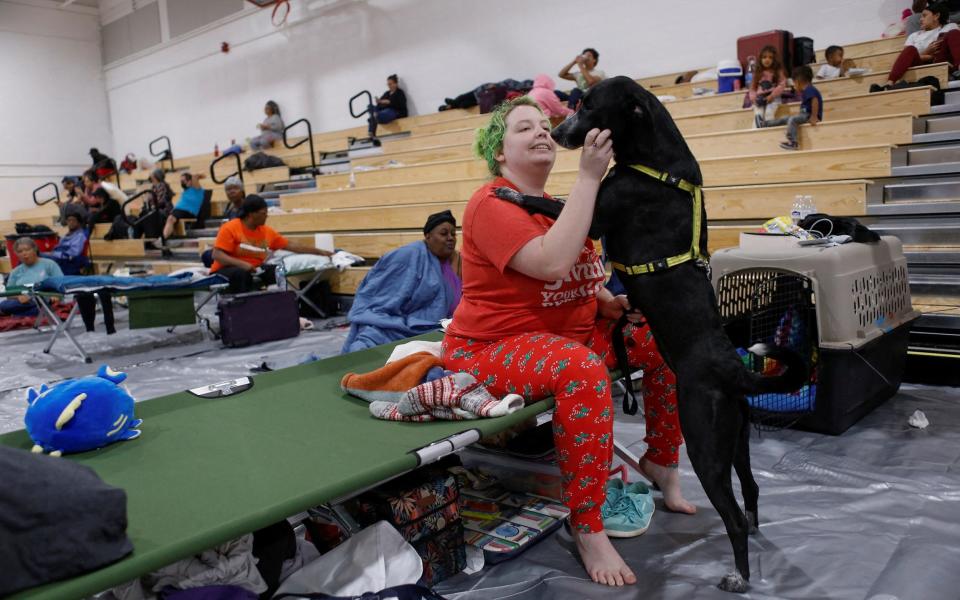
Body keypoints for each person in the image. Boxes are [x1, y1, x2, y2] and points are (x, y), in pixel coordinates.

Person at [442, 97, 694, 587]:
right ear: (499, 152)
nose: (540, 132)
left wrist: (605, 302)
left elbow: (578, 271)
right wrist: (589, 178)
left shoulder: (557, 202)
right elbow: (550, 263)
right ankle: (587, 522)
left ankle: (661, 461)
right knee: (580, 367)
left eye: (544, 124)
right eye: (523, 128)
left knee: (664, 336)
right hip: (494, 347)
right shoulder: (489, 204)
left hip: (566, 336)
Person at [341, 210, 462, 353]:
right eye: (443, 233)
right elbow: (382, 297)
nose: (450, 238)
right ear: (428, 236)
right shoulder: (407, 255)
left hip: (441, 327)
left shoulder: (455, 260)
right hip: (405, 324)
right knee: (370, 342)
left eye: (453, 234)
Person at [209, 195, 332, 294]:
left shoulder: (267, 232)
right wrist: (242, 264)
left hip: (254, 269)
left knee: (277, 271)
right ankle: (245, 310)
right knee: (241, 274)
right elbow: (217, 255)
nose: (266, 216)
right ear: (252, 214)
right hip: (225, 271)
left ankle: (276, 305)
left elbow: (293, 246)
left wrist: (321, 252)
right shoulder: (230, 227)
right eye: (263, 213)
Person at [42, 210, 115, 334]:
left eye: (73, 220)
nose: (70, 223)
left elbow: (73, 253)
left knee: (43, 258)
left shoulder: (80, 235)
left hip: (71, 264)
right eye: (68, 220)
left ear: (79, 222)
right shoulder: (67, 235)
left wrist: (54, 254)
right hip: (62, 261)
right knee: (42, 258)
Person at [875, 2, 960, 90]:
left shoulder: (949, 27)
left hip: (940, 60)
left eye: (924, 16)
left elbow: (939, 51)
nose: (920, 19)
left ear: (936, 16)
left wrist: (926, 55)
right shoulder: (914, 35)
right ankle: (889, 84)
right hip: (920, 63)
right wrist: (927, 52)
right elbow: (908, 56)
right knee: (910, 49)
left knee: (954, 34)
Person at [0, 238, 63, 318]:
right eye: (20, 251)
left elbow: (61, 283)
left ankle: (20, 314)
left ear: (35, 249)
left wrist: (55, 295)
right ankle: (30, 312)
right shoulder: (15, 272)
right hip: (24, 302)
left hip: (46, 298)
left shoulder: (49, 264)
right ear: (16, 254)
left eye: (27, 250)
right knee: (4, 305)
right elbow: (9, 293)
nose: (24, 253)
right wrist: (19, 297)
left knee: (43, 302)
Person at [764, 66, 822, 151]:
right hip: (805, 115)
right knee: (786, 118)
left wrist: (814, 116)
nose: (794, 86)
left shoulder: (810, 89)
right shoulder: (807, 90)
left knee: (792, 119)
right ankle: (766, 124)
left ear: (798, 81)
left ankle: (793, 142)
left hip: (809, 116)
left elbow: (815, 101)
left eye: (794, 83)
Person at [161, 172, 205, 257]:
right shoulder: (185, 191)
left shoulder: (197, 189)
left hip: (189, 212)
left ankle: (163, 242)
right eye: (181, 181)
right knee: (162, 217)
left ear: (190, 181)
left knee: (170, 218)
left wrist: (197, 176)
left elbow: (194, 177)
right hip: (178, 211)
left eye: (183, 181)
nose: (182, 183)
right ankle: (164, 243)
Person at [748, 45, 788, 128]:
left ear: (774, 60)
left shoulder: (778, 71)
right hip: (760, 98)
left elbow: (782, 84)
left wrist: (772, 95)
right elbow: (752, 88)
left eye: (770, 58)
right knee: (758, 115)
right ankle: (755, 134)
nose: (767, 59)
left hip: (773, 97)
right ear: (760, 59)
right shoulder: (757, 73)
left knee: (768, 114)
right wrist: (754, 99)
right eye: (764, 57)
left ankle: (769, 132)